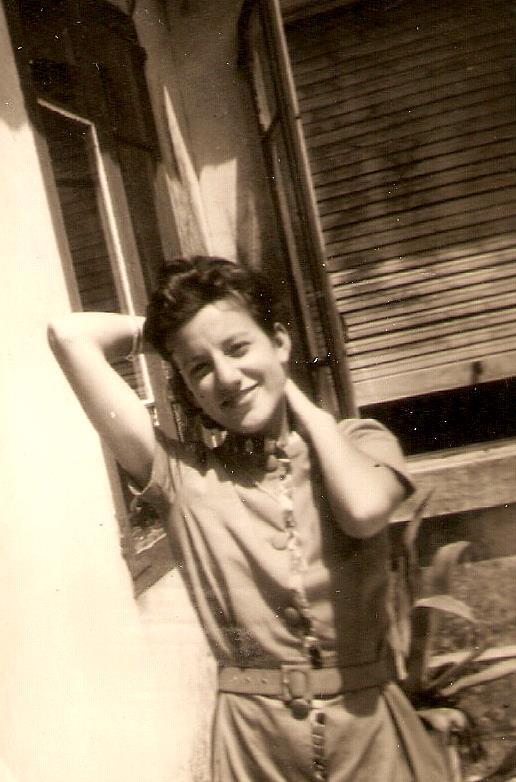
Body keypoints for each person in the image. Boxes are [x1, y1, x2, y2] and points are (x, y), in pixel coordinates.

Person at [48, 256, 448, 781]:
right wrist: (168, 336)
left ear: (279, 341)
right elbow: (70, 335)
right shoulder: (183, 478)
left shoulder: (360, 443)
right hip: (255, 749)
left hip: (371, 738)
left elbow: (363, 511)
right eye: (199, 368)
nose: (227, 377)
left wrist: (300, 406)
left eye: (238, 348)